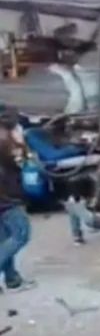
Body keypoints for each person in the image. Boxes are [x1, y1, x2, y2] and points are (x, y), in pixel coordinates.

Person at [0, 108, 35, 293]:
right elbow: (22, 163)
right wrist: (23, 145)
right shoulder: (8, 141)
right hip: (7, 195)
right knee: (21, 234)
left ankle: (12, 279)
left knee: (5, 238)